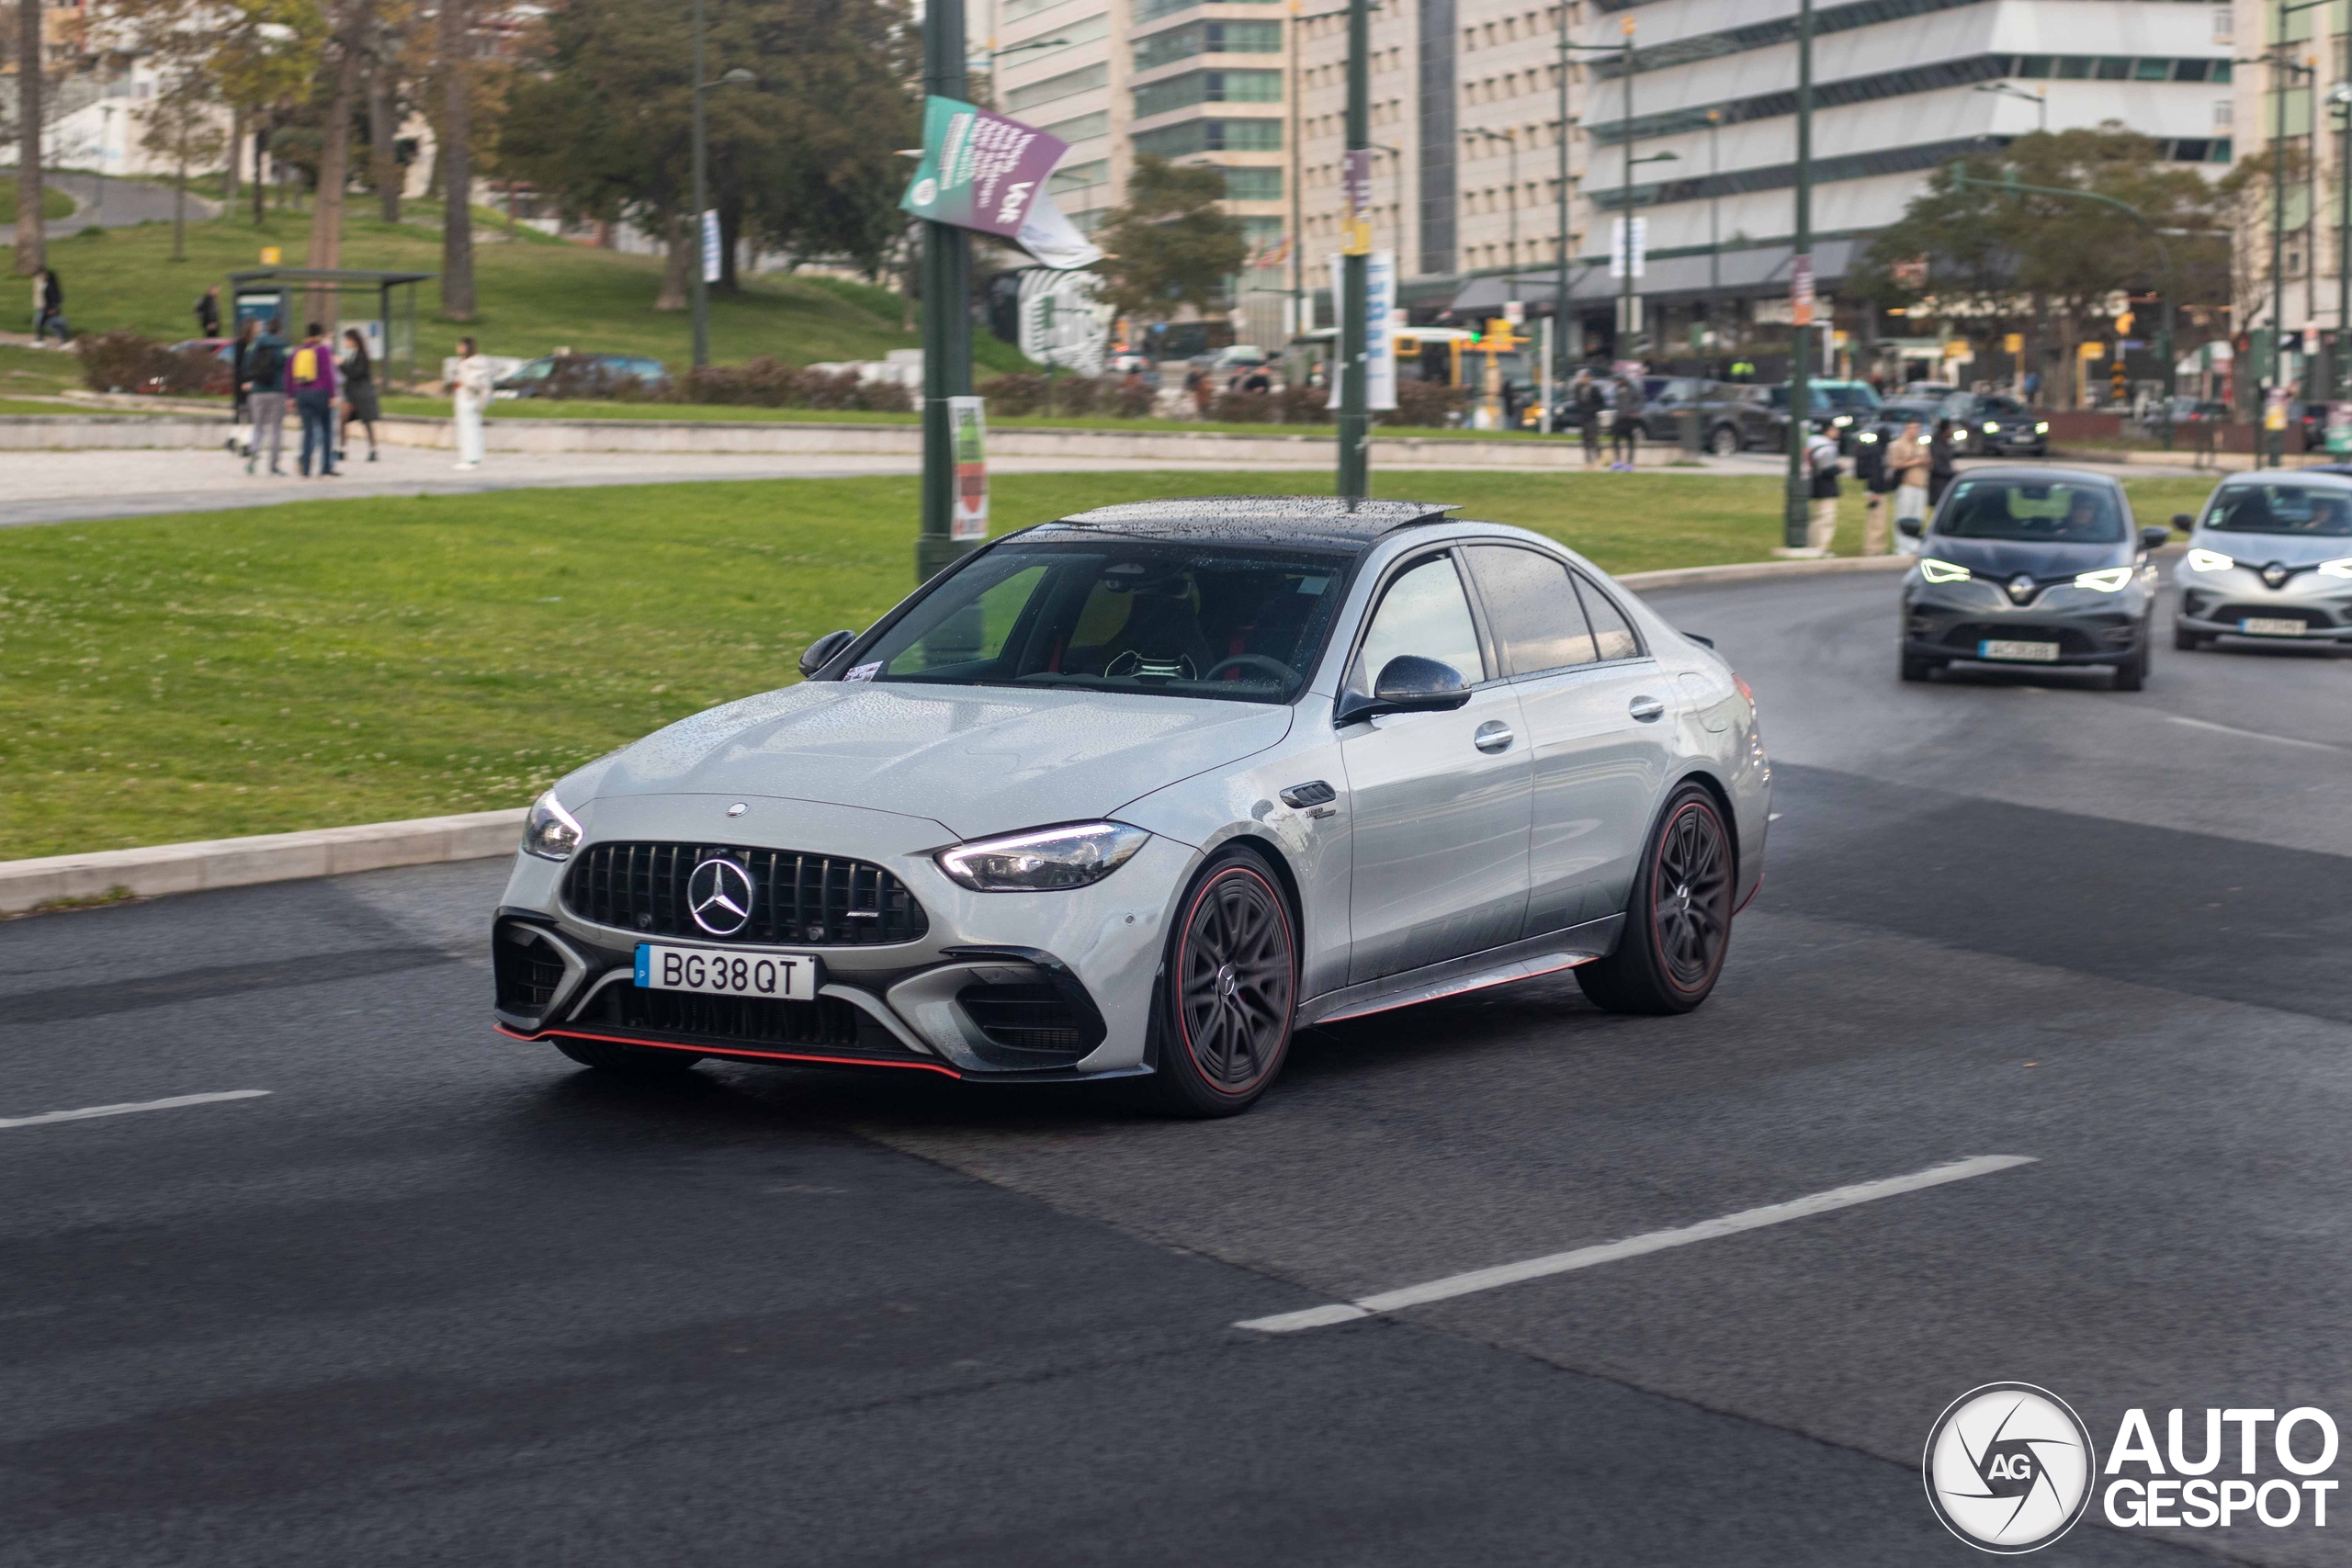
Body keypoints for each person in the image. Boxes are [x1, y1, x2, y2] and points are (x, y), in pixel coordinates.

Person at [288, 321, 339, 477]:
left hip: (302, 394)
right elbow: (327, 373)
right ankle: (325, 467)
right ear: (320, 335)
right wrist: (332, 395)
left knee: (307, 432)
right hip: (320, 393)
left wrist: (291, 396)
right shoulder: (322, 350)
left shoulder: (297, 351)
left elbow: (289, 375)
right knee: (326, 430)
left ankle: (306, 469)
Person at [242, 319, 289, 476]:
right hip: (277, 391)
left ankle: (252, 460)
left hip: (257, 391)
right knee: (276, 429)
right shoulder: (284, 347)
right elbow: (290, 368)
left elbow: (247, 366)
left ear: (267, 330)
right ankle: (274, 466)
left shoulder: (254, 345)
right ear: (279, 331)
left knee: (259, 427)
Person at [447, 335, 492, 470]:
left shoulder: (474, 363)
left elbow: (476, 382)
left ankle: (471, 459)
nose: (458, 348)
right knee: (466, 428)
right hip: (464, 397)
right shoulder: (466, 362)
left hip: (469, 398)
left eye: (460, 345)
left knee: (470, 428)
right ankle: (468, 457)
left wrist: (463, 382)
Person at [338, 328, 380, 462]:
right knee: (343, 419)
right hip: (352, 394)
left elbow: (355, 373)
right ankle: (342, 449)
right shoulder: (354, 354)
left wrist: (341, 364)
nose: (345, 342)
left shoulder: (361, 356)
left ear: (353, 341)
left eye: (347, 340)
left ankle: (373, 449)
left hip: (360, 394)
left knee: (366, 422)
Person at [1888, 419, 1930, 544]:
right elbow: (1894, 464)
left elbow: (1927, 460)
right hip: (1906, 484)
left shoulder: (1921, 445)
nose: (1915, 431)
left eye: (1917, 428)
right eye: (1912, 428)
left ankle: (1914, 543)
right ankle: (1902, 545)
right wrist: (1915, 462)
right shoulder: (1898, 445)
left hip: (1921, 485)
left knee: (1917, 516)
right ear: (1906, 428)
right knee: (1903, 516)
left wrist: (1925, 462)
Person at [1805, 418, 1843, 552]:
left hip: (1814, 485)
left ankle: (1812, 543)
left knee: (1816, 518)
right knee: (1826, 518)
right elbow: (1827, 469)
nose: (1837, 432)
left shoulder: (1811, 443)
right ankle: (1821, 547)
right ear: (1827, 431)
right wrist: (1839, 468)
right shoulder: (1826, 447)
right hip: (1826, 487)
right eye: (1834, 429)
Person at [1855, 422, 1892, 556]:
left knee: (1876, 521)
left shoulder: (1874, 449)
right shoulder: (1879, 452)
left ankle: (1877, 547)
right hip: (1877, 490)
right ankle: (1872, 548)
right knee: (1876, 521)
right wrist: (1877, 492)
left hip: (1874, 489)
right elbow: (1876, 473)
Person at [1611, 376, 1644, 469]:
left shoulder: (1632, 389)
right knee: (1615, 439)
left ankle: (1629, 462)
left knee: (1630, 440)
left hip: (1629, 418)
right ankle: (1618, 461)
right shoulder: (1618, 389)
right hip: (1619, 417)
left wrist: (1634, 411)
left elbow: (1640, 401)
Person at [1576, 373, 1606, 468]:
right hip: (1583, 417)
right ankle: (1588, 460)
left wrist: (1592, 409)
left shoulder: (1594, 390)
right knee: (1585, 439)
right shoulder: (1578, 389)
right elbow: (1578, 402)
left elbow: (1601, 403)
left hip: (1592, 417)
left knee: (1593, 438)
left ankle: (1598, 459)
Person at [1928, 416, 1959, 505]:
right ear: (1945, 430)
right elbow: (1936, 466)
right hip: (1938, 484)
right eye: (1950, 428)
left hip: (1946, 482)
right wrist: (1951, 473)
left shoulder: (1946, 443)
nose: (1952, 431)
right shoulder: (1936, 445)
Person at [34, 268, 68, 344]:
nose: (40, 277)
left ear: (47, 275)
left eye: (42, 275)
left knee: (49, 323)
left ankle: (40, 339)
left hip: (49, 308)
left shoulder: (51, 285)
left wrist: (53, 308)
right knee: (44, 322)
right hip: (45, 307)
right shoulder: (46, 283)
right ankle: (40, 338)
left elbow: (55, 297)